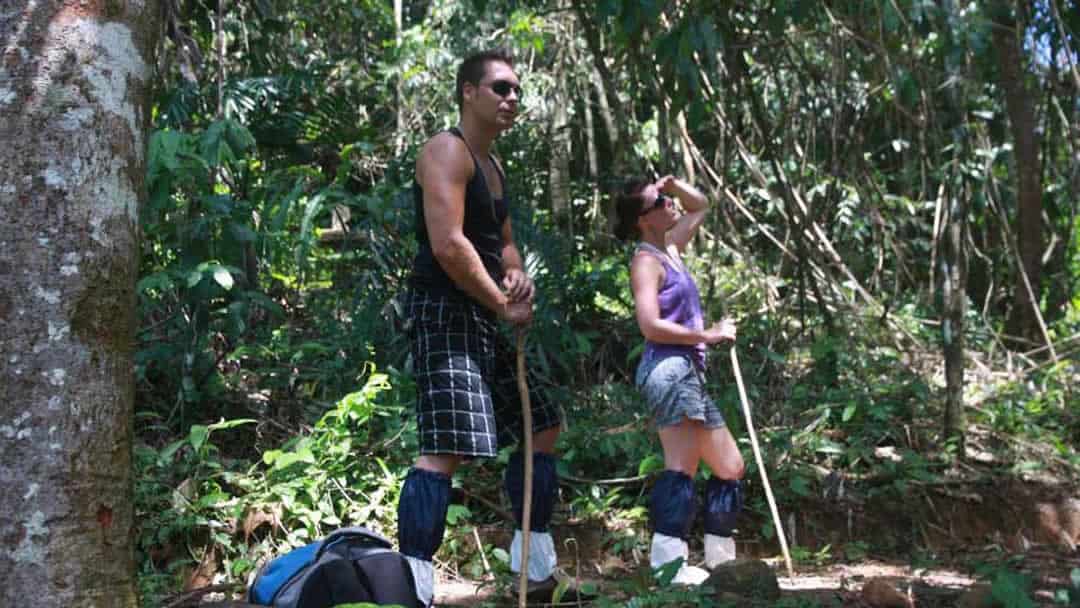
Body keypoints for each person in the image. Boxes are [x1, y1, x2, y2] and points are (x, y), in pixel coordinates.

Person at [397, 48, 568, 607]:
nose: (512, 98)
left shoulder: (493, 166)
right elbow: (449, 244)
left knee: (541, 423)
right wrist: (502, 302)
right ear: (468, 92)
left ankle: (533, 565)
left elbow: (504, 240)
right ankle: (412, 588)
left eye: (516, 89)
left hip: (484, 313)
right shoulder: (447, 150)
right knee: (445, 446)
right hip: (445, 314)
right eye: (500, 87)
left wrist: (516, 277)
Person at [613, 176, 747, 585]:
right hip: (669, 370)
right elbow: (650, 325)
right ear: (643, 219)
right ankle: (668, 568)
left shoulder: (669, 248)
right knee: (682, 467)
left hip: (689, 372)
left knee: (730, 466)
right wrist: (708, 334)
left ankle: (721, 563)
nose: (670, 203)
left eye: (669, 198)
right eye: (660, 201)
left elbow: (702, 205)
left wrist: (673, 183)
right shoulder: (645, 261)